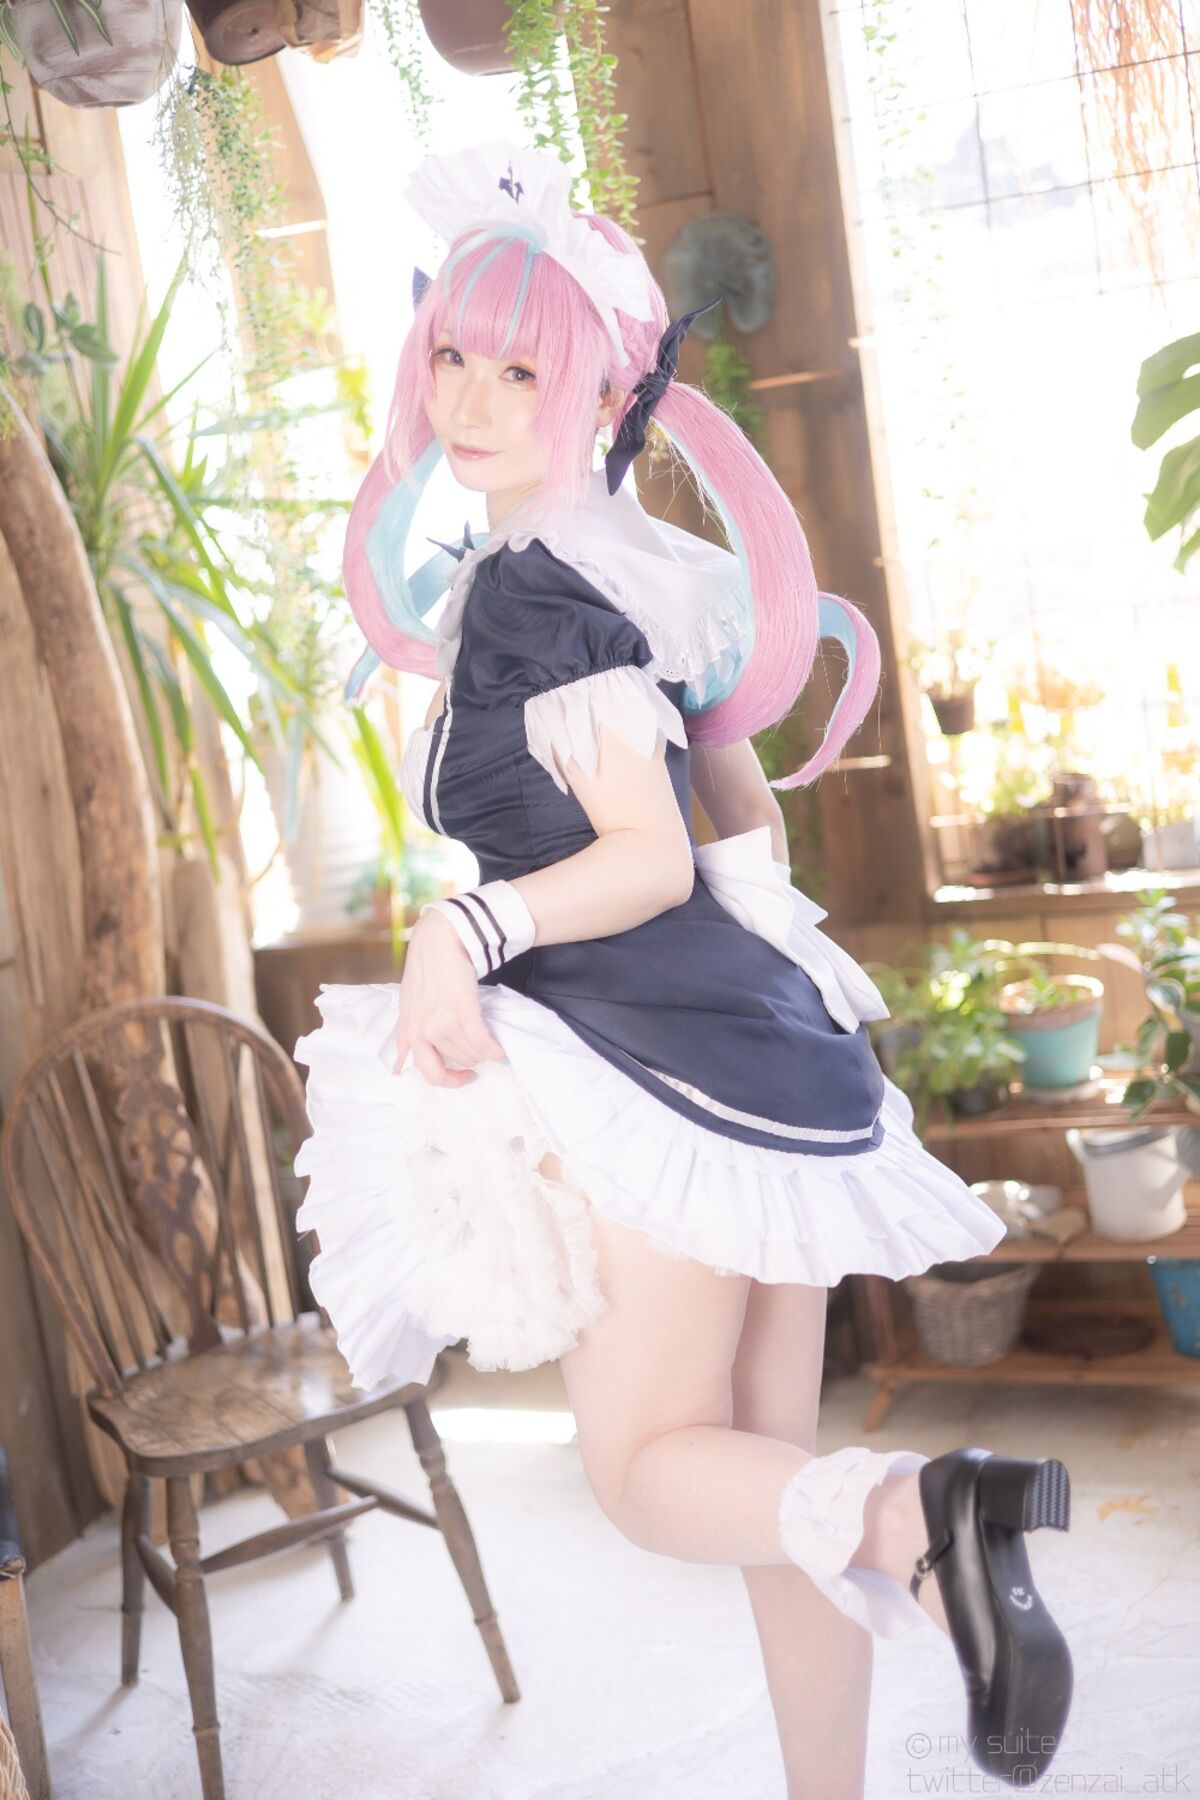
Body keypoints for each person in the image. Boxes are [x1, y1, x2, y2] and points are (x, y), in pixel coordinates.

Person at [293, 136, 1074, 1796]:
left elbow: (644, 857)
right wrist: (770, 991)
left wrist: (464, 926)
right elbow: (735, 832)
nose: (472, 399)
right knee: (768, 1488)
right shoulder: (641, 573)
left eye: (522, 369)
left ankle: (927, 1511)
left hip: (650, 1059)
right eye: (454, 356)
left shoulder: (530, 593)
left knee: (648, 1475)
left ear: (599, 390)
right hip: (759, 1047)